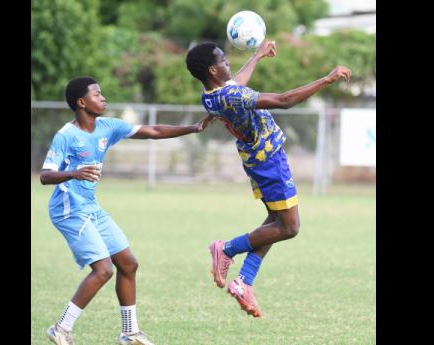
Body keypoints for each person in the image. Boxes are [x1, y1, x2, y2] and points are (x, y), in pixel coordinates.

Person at [41, 76, 213, 345]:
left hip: (90, 207)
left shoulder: (108, 127)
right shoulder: (66, 136)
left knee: (128, 264)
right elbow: (45, 176)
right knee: (103, 270)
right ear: (81, 102)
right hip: (68, 210)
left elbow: (152, 131)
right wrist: (74, 173)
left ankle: (130, 333)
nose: (103, 98)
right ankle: (61, 328)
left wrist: (192, 128)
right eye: (97, 94)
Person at [186, 41, 351, 317]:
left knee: (275, 223)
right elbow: (284, 101)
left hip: (258, 159)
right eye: (224, 60)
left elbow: (234, 84)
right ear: (213, 70)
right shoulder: (233, 97)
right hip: (269, 161)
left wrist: (257, 56)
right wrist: (327, 79)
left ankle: (244, 282)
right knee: (290, 227)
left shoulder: (210, 93)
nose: (229, 63)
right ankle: (226, 249)